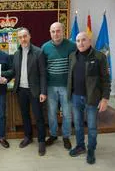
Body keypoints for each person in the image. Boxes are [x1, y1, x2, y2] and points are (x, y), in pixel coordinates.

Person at [2, 28, 47, 156]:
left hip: (35, 91)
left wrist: (43, 92)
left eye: (25, 36)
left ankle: (42, 141)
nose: (23, 39)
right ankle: (28, 136)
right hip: (21, 90)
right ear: (18, 39)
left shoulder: (39, 52)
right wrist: (0, 75)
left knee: (39, 116)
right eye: (20, 37)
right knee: (25, 114)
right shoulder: (17, 54)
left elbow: (43, 74)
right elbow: (13, 72)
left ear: (29, 36)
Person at [68, 32, 111, 164]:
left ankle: (91, 149)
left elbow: (105, 80)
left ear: (90, 41)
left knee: (91, 127)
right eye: (78, 40)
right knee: (78, 125)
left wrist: (105, 98)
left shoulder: (100, 56)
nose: (80, 43)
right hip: (76, 97)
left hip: (92, 98)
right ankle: (80, 146)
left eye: (83, 40)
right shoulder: (72, 56)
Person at [42, 22, 76, 150]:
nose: (55, 34)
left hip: (66, 87)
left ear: (63, 31)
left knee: (67, 113)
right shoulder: (45, 47)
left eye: (58, 31)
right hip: (51, 87)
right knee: (51, 113)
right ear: (50, 32)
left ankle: (66, 136)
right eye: (53, 31)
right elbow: (43, 69)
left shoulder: (72, 46)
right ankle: (53, 134)